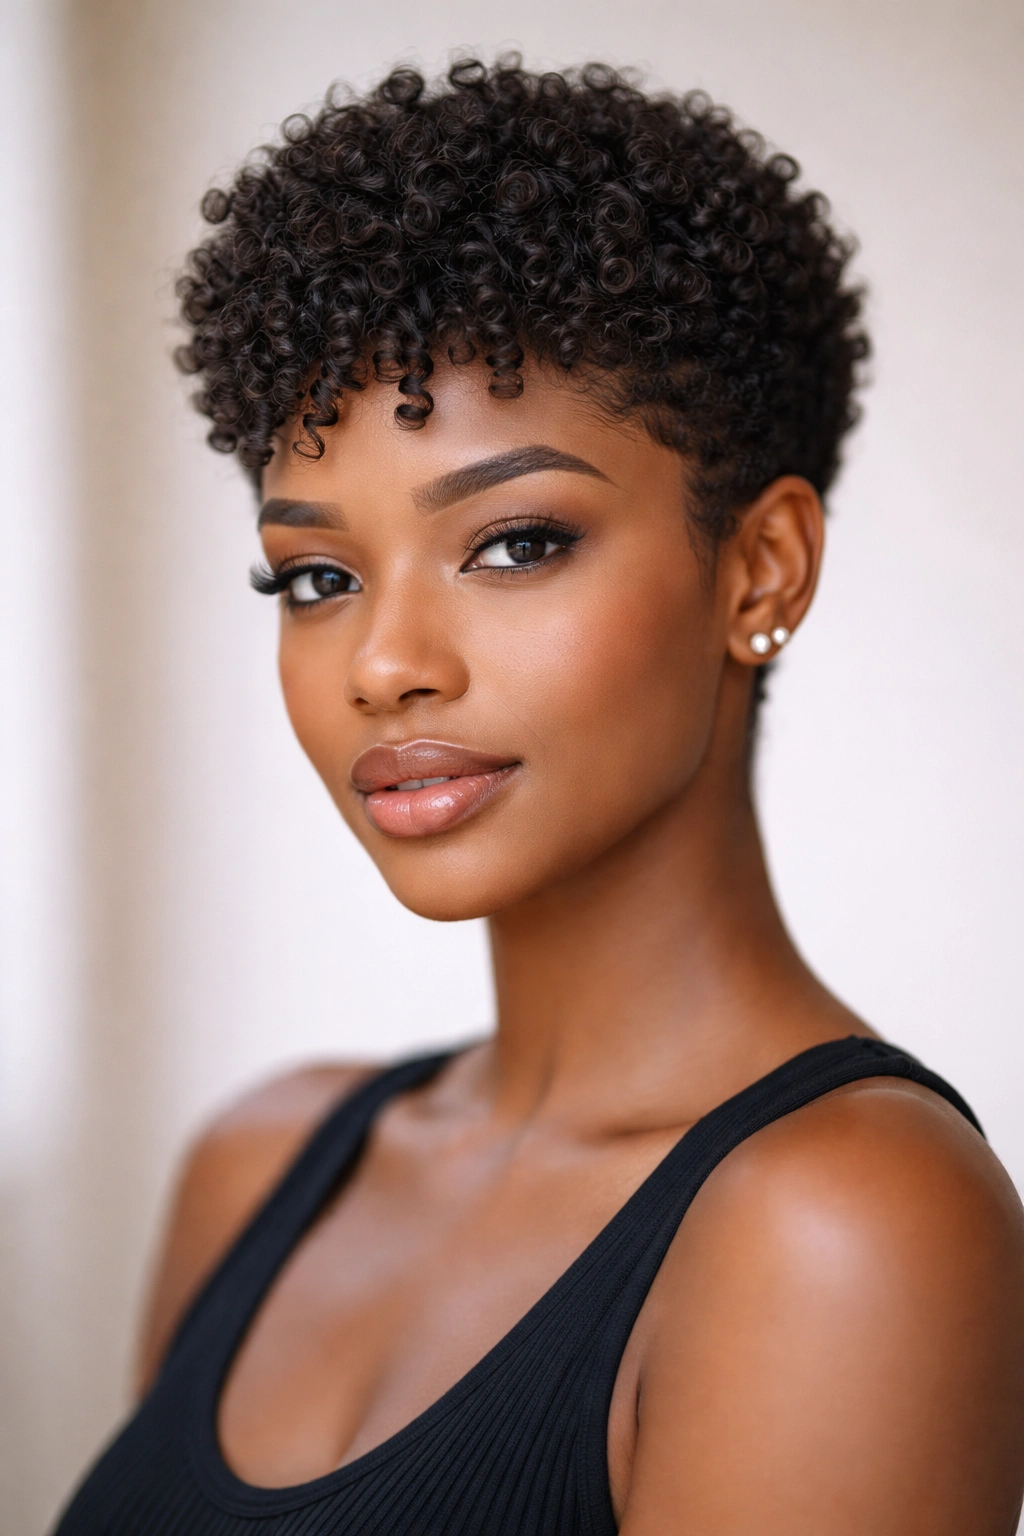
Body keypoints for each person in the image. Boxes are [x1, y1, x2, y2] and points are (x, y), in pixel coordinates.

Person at [54, 59, 1024, 1536]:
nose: (385, 664)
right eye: (315, 577)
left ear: (759, 570)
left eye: (513, 543)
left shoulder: (848, 1229)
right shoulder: (262, 1167)